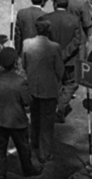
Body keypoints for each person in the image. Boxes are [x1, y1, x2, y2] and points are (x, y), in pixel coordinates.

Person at [0, 46, 36, 179]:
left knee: (0, 148)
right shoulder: (20, 81)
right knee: (23, 147)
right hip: (17, 120)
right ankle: (28, 169)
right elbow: (27, 101)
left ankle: (0, 173)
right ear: (15, 62)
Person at [22, 28, 64, 162]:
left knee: (35, 117)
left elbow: (24, 64)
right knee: (46, 123)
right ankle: (44, 153)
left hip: (33, 86)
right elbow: (59, 69)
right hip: (49, 89)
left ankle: (34, 142)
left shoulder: (27, 43)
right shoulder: (55, 47)